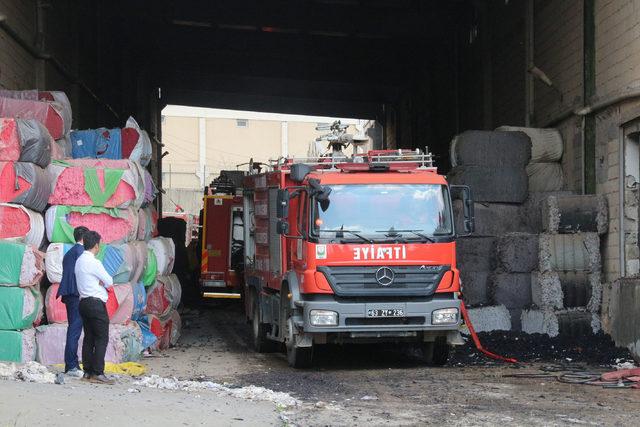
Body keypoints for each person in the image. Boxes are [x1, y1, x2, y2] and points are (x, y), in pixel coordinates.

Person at [75, 231, 114, 384]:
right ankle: (98, 372)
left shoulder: (79, 261)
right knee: (101, 338)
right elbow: (109, 281)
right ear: (96, 245)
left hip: (83, 302)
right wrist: (100, 282)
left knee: (89, 338)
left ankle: (87, 371)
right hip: (96, 303)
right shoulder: (94, 262)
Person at [56, 225, 90, 377]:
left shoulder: (69, 252)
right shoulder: (82, 253)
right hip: (77, 294)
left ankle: (72, 364)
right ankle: (71, 366)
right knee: (75, 330)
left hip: (69, 293)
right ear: (85, 238)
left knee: (73, 328)